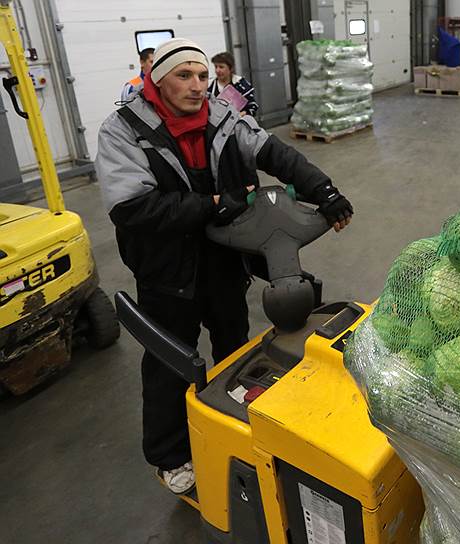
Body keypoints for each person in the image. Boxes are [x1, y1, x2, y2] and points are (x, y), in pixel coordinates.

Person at [95, 38, 353, 495]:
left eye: (202, 75)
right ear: (158, 79)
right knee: (169, 364)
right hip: (167, 273)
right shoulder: (123, 129)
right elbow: (132, 209)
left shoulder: (223, 116)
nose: (197, 85)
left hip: (223, 262)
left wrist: (325, 191)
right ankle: (170, 456)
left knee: (236, 349)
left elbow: (276, 154)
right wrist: (213, 204)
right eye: (184, 75)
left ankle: (234, 426)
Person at [208, 51, 259, 117]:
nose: (217, 70)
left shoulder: (241, 84)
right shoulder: (209, 86)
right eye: (216, 67)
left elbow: (253, 106)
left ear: (231, 68)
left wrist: (240, 115)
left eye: (221, 67)